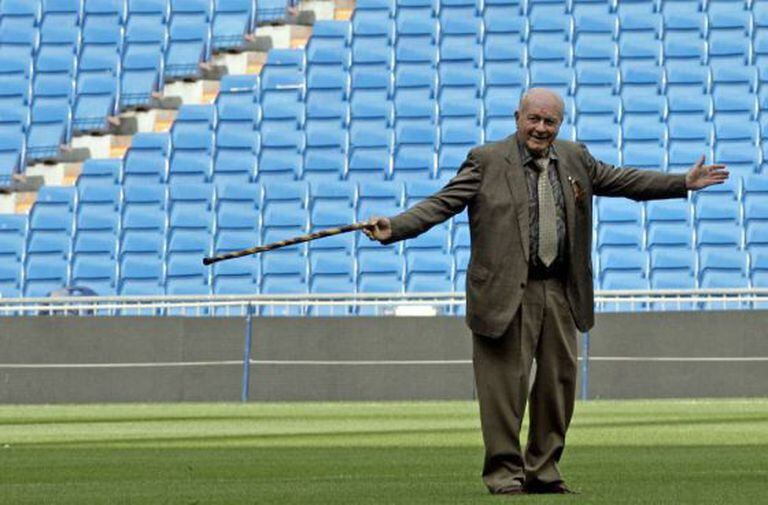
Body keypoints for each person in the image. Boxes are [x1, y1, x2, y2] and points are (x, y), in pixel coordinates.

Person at [363, 88, 728, 495]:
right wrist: (396, 226)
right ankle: (505, 475)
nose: (540, 128)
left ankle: (543, 471)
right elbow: (442, 203)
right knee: (504, 391)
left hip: (559, 290)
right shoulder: (486, 160)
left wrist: (681, 182)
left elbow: (625, 180)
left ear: (560, 124)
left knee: (558, 386)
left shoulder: (575, 157)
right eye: (533, 119)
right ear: (517, 117)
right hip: (504, 294)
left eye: (549, 121)